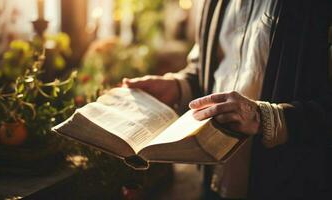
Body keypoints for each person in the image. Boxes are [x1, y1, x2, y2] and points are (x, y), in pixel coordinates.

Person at [123, 0, 332, 199]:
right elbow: (209, 66)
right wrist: (178, 85)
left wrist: (266, 118)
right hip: (213, 179)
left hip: (287, 184)